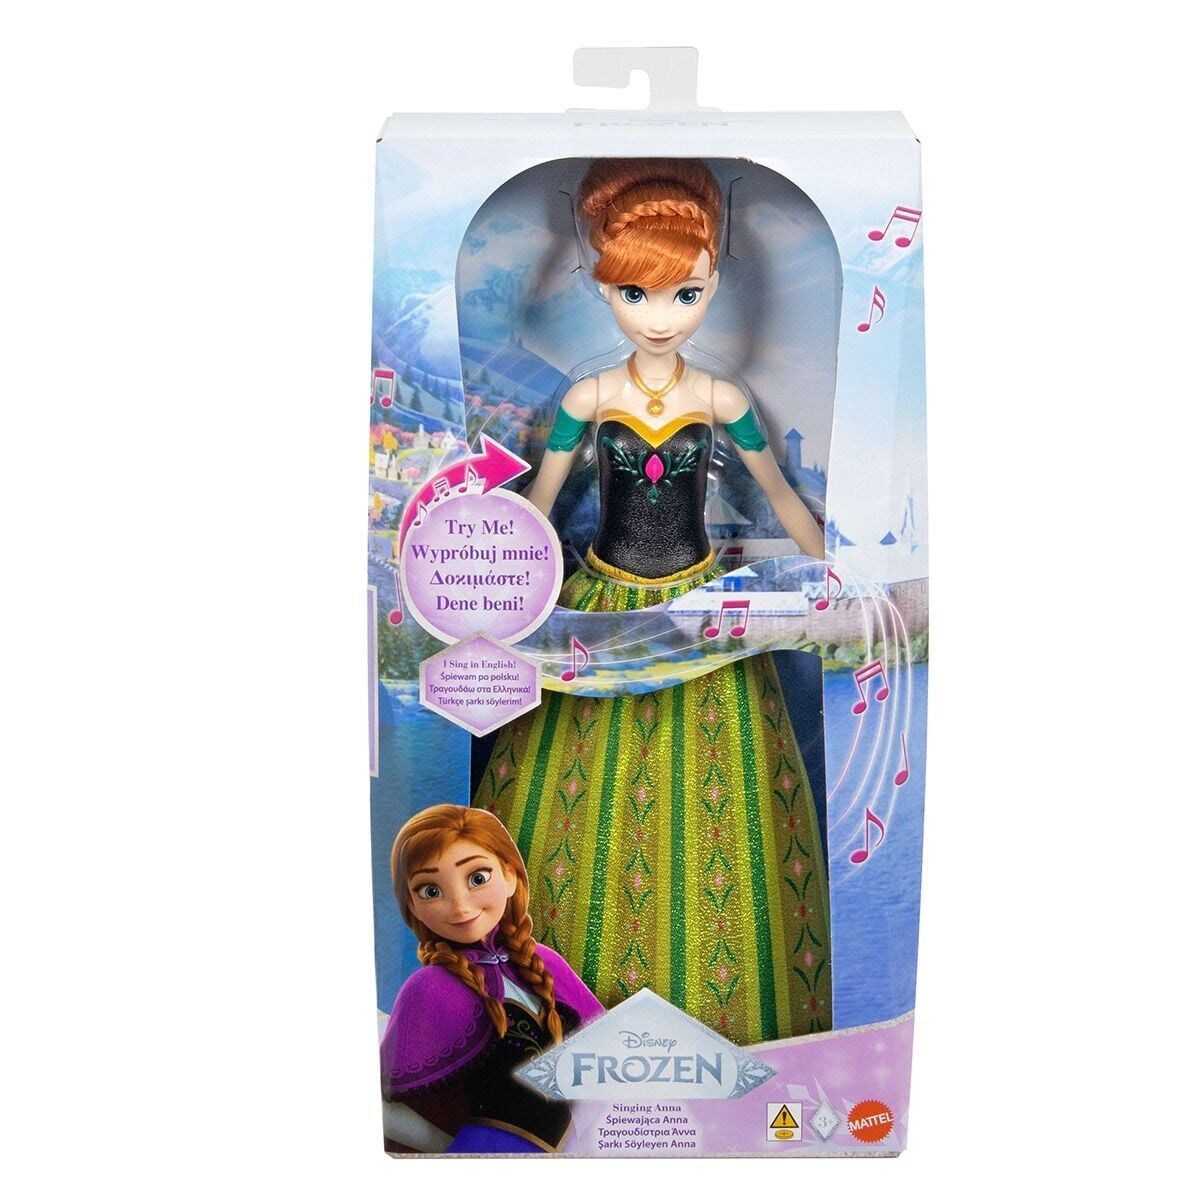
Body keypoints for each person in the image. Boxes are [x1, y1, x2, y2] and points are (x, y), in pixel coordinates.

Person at [473, 158, 832, 1046]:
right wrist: (485, 581)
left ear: (715, 284)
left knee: (723, 816)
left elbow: (778, 492)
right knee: (569, 812)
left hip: (703, 609)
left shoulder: (720, 397)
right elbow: (538, 507)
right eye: (635, 294)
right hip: (600, 604)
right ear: (603, 287)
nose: (660, 317)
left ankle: (724, 1025)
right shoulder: (589, 396)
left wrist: (831, 566)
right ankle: (548, 1025)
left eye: (686, 294)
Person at [380, 804, 603, 1154]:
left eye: (477, 878)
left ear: (510, 876)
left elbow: (612, 1049)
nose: (460, 906)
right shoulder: (427, 989)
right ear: (411, 904)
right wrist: (452, 1151)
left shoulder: (546, 961)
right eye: (430, 891)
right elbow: (384, 1106)